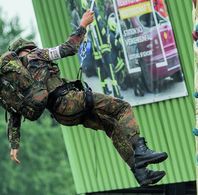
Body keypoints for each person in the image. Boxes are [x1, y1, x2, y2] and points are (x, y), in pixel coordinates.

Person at [5, 10, 168, 186]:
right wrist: (83, 25)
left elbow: (15, 113)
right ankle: (140, 149)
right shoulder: (36, 54)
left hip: (63, 116)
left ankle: (141, 174)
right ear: (28, 47)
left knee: (111, 126)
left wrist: (14, 145)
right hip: (71, 101)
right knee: (122, 108)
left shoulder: (19, 81)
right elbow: (69, 48)